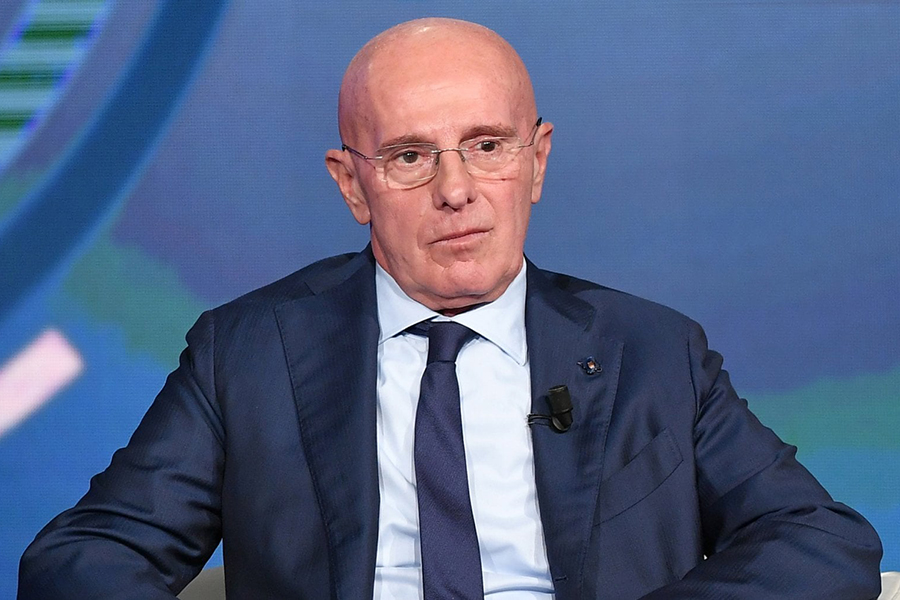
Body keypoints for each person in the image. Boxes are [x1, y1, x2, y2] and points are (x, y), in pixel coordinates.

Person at [19, 17, 882, 600]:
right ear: (351, 184)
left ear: (537, 161)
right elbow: (81, 559)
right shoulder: (249, 354)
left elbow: (820, 539)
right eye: (409, 157)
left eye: (487, 145)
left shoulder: (651, 350)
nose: (457, 191)